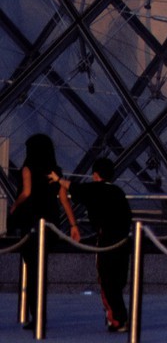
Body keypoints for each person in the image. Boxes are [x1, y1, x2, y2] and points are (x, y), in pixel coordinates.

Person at [10, 134, 80, 322]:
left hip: (31, 222)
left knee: (31, 269)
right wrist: (73, 225)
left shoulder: (28, 168)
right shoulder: (55, 171)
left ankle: (35, 313)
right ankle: (39, 312)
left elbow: (26, 192)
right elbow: (64, 199)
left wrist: (15, 205)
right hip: (50, 222)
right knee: (40, 268)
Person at [68, 157, 132, 332]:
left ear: (95, 175)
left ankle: (118, 319)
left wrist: (58, 179)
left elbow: (72, 187)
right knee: (117, 280)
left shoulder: (94, 189)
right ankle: (118, 317)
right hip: (123, 241)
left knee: (106, 280)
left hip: (106, 241)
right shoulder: (118, 192)